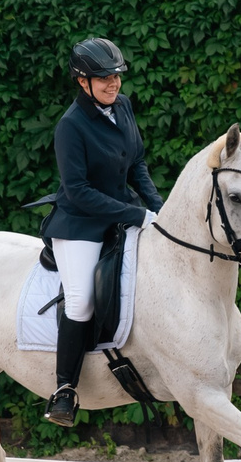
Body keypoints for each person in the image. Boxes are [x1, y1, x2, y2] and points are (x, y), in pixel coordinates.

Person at [44, 36, 163, 426]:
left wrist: (158, 208)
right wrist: (134, 213)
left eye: (116, 76)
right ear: (82, 81)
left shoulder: (123, 107)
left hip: (123, 212)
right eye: (103, 78)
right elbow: (78, 191)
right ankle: (64, 389)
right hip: (79, 223)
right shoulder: (70, 126)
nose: (113, 84)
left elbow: (138, 163)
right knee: (79, 301)